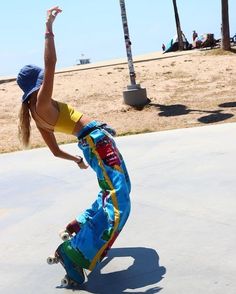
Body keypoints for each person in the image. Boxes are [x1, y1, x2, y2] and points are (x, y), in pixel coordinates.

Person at [17, 6, 131, 284]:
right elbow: (52, 63)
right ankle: (75, 250)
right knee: (119, 199)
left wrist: (78, 160)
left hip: (92, 143)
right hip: (95, 142)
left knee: (113, 191)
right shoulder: (42, 102)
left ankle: (79, 228)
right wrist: (48, 28)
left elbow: (55, 151)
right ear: (37, 87)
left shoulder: (37, 114)